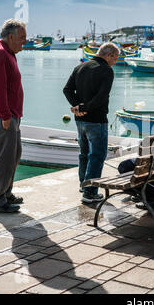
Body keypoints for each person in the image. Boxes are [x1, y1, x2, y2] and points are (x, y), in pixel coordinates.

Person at [63, 42, 120, 204]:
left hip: (80, 120)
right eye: (115, 58)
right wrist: (84, 108)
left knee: (84, 153)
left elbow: (67, 89)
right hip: (96, 120)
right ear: (108, 55)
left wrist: (77, 106)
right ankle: (89, 192)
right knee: (97, 155)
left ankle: (84, 184)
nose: (115, 62)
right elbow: (102, 97)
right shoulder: (106, 71)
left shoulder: (80, 67)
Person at [0, 19, 27, 213]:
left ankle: (6, 193)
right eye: (22, 38)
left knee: (14, 156)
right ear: (11, 37)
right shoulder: (0, 54)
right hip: (3, 117)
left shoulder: (7, 52)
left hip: (10, 116)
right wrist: (5, 116)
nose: (24, 42)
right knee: (4, 160)